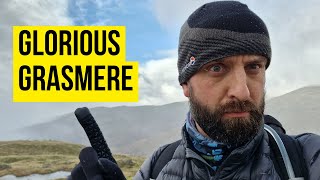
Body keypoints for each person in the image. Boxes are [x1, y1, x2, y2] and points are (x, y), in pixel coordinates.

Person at [70, 1, 320, 180]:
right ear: (185, 84)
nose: (242, 92)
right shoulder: (158, 166)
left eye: (254, 66)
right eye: (217, 67)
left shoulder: (305, 158)